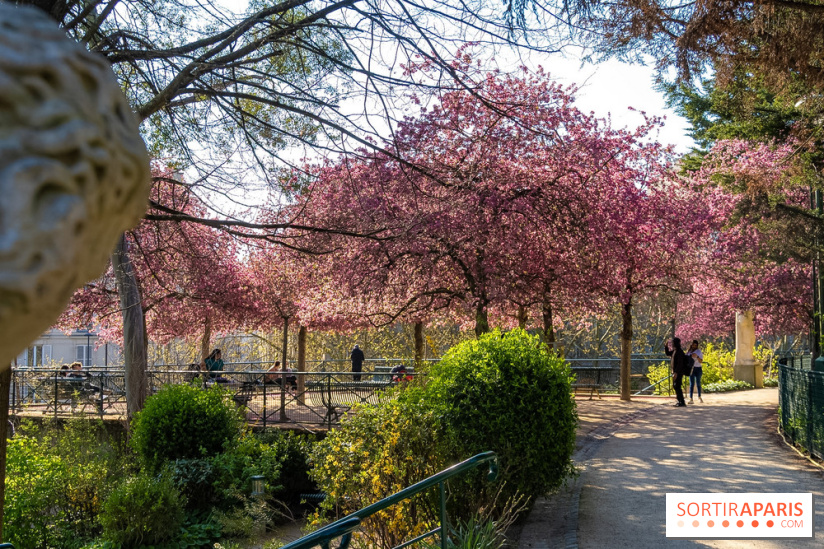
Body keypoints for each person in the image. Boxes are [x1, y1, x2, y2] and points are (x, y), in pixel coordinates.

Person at [664, 338, 690, 407]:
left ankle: (681, 401)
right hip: (675, 372)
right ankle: (680, 401)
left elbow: (679, 364)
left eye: (672, 343)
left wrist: (676, 373)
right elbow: (668, 353)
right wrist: (666, 347)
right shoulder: (675, 351)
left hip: (678, 372)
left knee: (677, 386)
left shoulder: (679, 352)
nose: (672, 344)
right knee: (676, 386)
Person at [687, 339, 704, 404]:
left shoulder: (699, 352)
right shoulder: (689, 352)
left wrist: (697, 357)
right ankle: (691, 398)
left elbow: (701, 361)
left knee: (698, 383)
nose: (694, 346)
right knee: (691, 383)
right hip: (691, 368)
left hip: (698, 368)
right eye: (693, 345)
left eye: (695, 345)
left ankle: (699, 397)